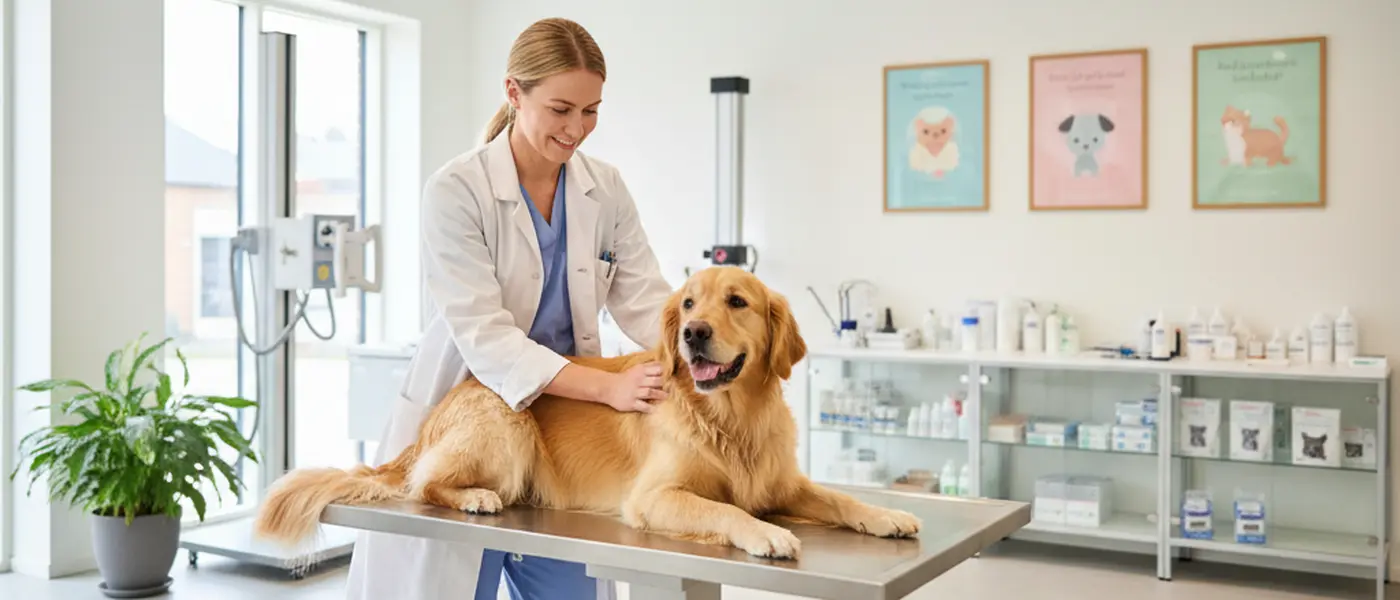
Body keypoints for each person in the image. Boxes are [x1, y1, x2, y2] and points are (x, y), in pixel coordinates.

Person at [343, 17, 675, 600]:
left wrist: (706, 354)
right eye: (560, 109)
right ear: (514, 93)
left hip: (564, 440)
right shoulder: (456, 190)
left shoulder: (605, 189)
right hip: (476, 418)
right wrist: (609, 388)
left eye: (591, 111)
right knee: (452, 582)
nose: (577, 129)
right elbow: (488, 340)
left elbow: (649, 302)